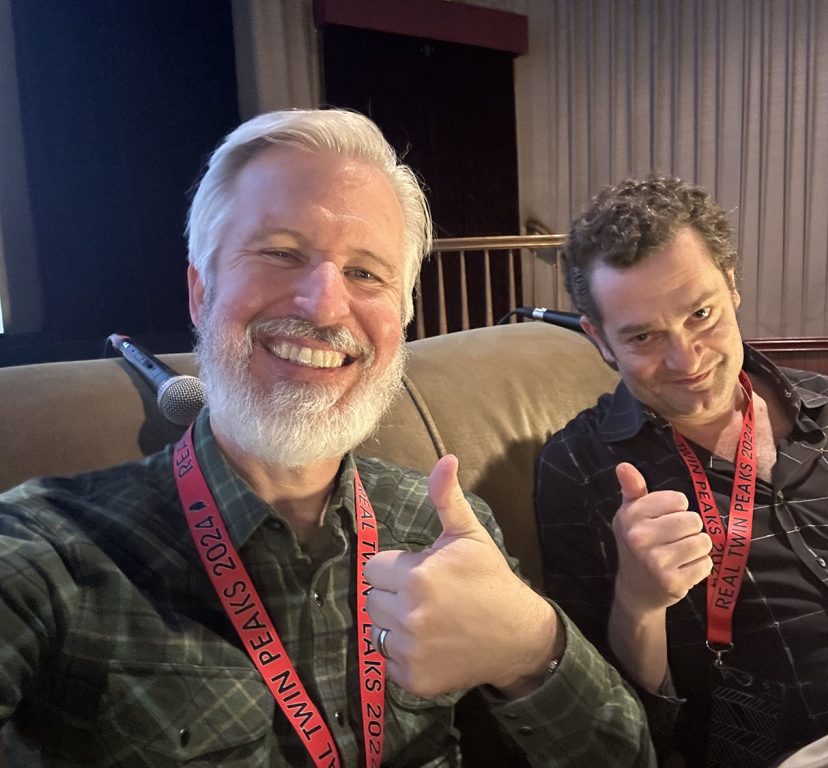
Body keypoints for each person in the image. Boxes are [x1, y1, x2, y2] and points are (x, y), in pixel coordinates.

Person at [0, 109, 655, 767]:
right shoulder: (51, 552)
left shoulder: (442, 530)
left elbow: (624, 756)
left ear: (400, 320)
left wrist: (531, 645)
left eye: (366, 273)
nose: (323, 305)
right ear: (202, 293)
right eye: (281, 253)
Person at [534, 176, 828, 768]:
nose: (686, 359)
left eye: (701, 315)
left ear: (733, 289)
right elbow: (603, 703)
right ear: (601, 340)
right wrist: (638, 601)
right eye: (642, 336)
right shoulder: (580, 468)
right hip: (816, 747)